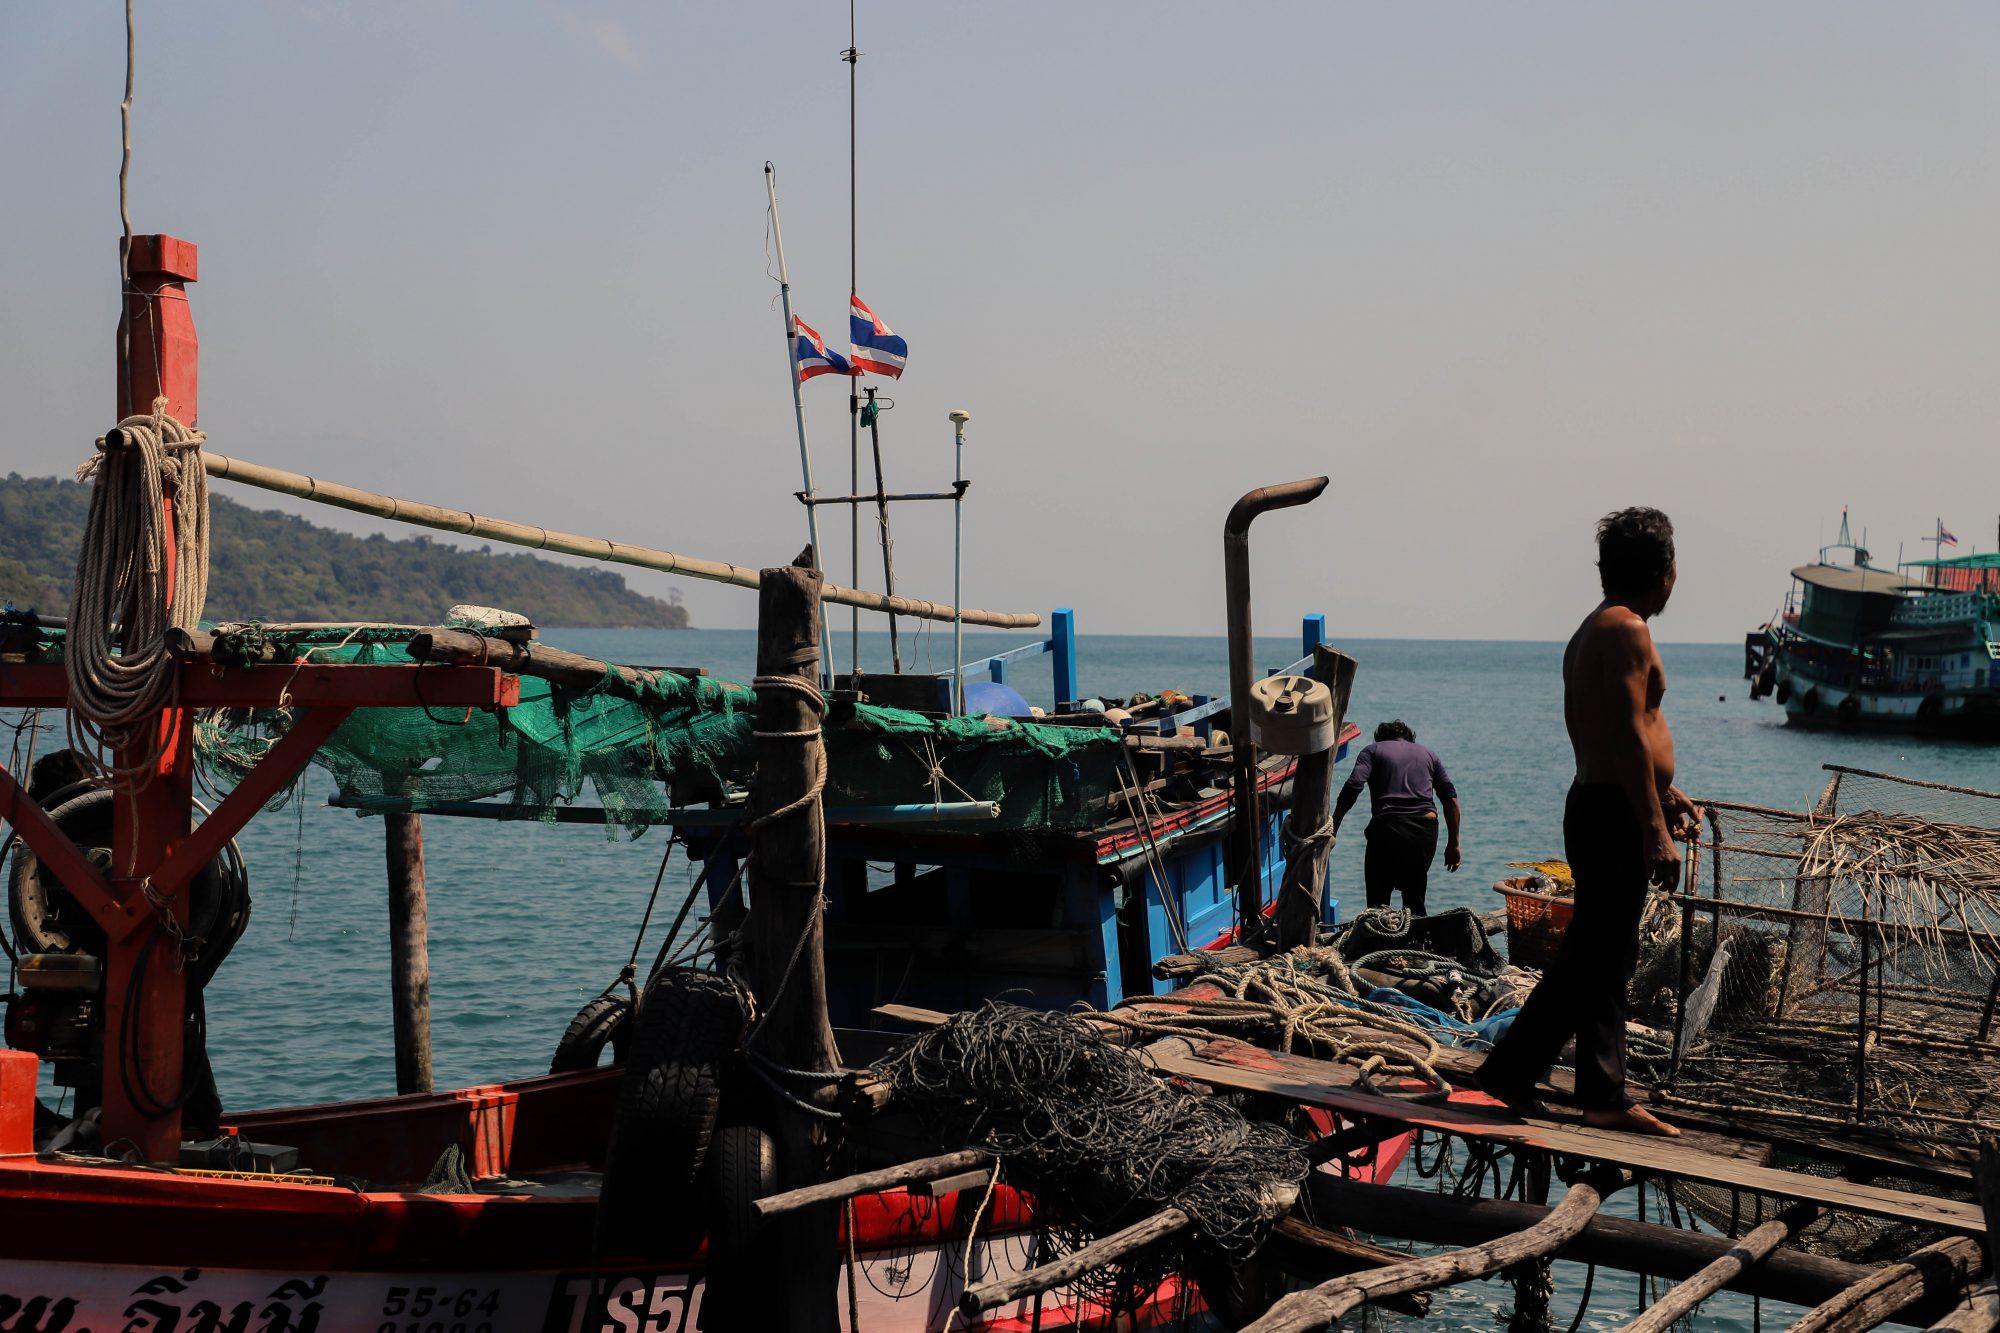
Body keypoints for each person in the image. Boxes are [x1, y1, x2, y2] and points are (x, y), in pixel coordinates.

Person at [1476, 506, 1700, 1137]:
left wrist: (1666, 790)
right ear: (1662, 573)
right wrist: (1655, 829)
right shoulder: (1627, 630)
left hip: (1603, 801)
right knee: (1599, 954)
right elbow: (1629, 733)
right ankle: (1561, 1083)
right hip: (1613, 812)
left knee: (1600, 953)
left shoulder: (1594, 628)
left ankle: (1574, 1085)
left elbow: (1616, 735)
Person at [1330, 720, 1461, 916]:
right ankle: (1417, 941)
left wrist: (1334, 827)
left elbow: (1354, 786)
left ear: (1380, 738)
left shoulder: (1372, 751)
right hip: (1424, 829)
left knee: (1377, 902)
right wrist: (1453, 844)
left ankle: (1380, 939)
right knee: (1415, 896)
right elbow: (1450, 800)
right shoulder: (1428, 754)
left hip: (1388, 828)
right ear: (1409, 738)